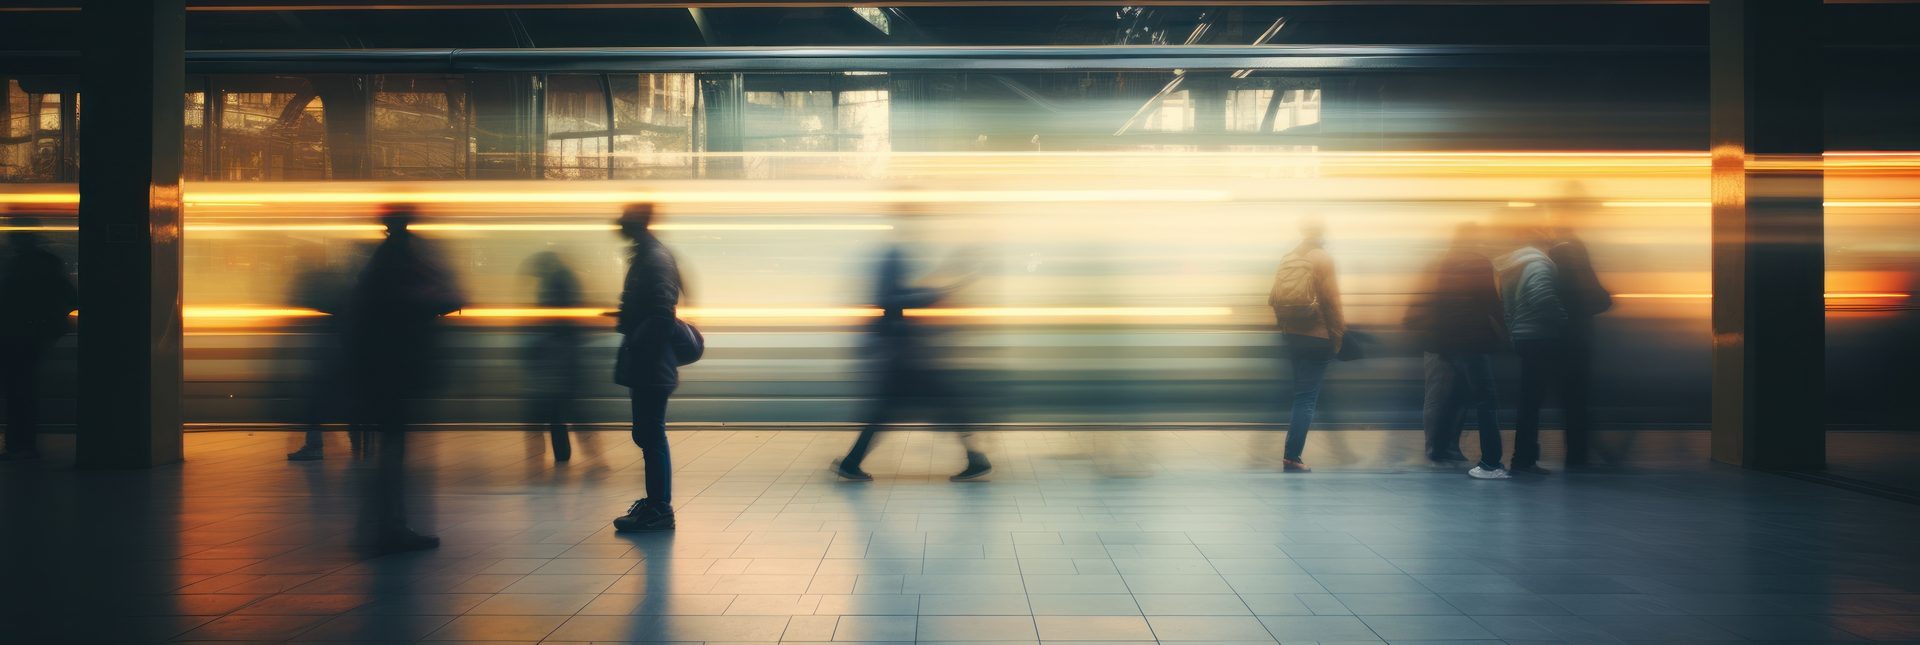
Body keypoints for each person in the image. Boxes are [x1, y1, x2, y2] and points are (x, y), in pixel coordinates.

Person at [834, 210, 992, 483]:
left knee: (888, 408)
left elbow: (896, 295)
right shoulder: (893, 256)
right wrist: (933, 294)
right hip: (901, 352)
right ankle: (975, 458)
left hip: (901, 350)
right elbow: (889, 299)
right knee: (942, 399)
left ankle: (852, 461)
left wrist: (931, 292)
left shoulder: (894, 255)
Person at [345, 204, 464, 551]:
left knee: (388, 452)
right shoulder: (400, 258)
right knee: (392, 452)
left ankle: (385, 526)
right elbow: (427, 298)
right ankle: (391, 529)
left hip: (379, 369)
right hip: (392, 369)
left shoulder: (382, 259)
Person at [1406, 223, 1510, 479]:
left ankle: (1439, 449)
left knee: (1455, 395)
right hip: (1471, 341)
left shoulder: (1446, 262)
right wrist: (1506, 331)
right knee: (1486, 400)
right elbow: (1491, 303)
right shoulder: (1478, 262)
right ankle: (1490, 463)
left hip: (1446, 342)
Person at [610, 203, 684, 532]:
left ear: (636, 223)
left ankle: (659, 508)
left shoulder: (653, 258)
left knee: (651, 434)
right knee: (647, 433)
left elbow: (661, 312)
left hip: (651, 363)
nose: (618, 225)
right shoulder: (648, 255)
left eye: (624, 219)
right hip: (649, 361)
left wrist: (638, 340)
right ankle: (656, 504)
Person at [1266, 217, 1345, 473]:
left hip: (1293, 335)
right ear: (1322, 233)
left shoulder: (1288, 257)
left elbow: (1274, 298)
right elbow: (1332, 301)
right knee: (1307, 399)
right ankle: (1292, 457)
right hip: (1317, 336)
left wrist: (1286, 330)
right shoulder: (1322, 257)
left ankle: (1296, 453)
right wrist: (1337, 337)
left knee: (1302, 395)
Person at [0, 219, 77, 461]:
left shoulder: (14, 265)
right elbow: (71, 296)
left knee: (17, 390)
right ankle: (22, 444)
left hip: (15, 334)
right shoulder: (47, 263)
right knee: (22, 389)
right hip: (35, 335)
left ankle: (19, 444)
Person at [1495, 225, 1568, 475]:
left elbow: (1506, 305)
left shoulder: (1511, 267)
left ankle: (1523, 457)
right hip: (1539, 337)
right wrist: (1563, 320)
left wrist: (1513, 328)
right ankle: (1524, 459)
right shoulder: (1538, 264)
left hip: (1522, 336)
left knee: (1528, 401)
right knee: (1532, 402)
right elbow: (1543, 297)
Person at [1546, 199, 1611, 467]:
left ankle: (1577, 453)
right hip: (1581, 334)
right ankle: (1579, 453)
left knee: (1570, 396)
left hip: (1565, 336)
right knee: (1577, 397)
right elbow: (1598, 296)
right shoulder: (1574, 249)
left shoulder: (1560, 252)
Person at [286, 246, 356, 461]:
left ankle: (314, 445)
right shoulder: (355, 287)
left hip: (335, 355)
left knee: (317, 400)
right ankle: (359, 444)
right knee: (352, 399)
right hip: (353, 354)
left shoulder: (335, 296)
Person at [524, 250, 583, 462]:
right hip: (563, 357)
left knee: (553, 410)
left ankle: (546, 455)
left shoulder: (556, 282)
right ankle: (563, 453)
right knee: (563, 411)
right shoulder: (564, 279)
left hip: (556, 358)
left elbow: (550, 320)